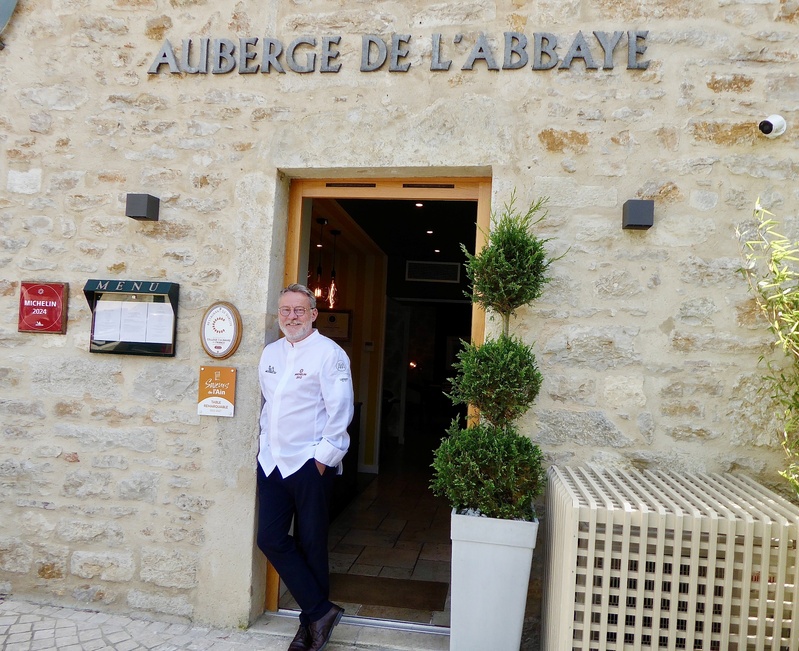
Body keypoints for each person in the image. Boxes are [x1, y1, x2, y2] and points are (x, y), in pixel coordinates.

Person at [256, 283, 354, 651]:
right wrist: (263, 449)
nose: (291, 317)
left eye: (299, 310)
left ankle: (308, 626)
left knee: (312, 545)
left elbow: (340, 410)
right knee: (270, 538)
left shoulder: (330, 354)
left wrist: (322, 460)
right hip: (272, 463)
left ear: (313, 314)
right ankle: (319, 612)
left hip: (309, 464)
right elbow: (269, 406)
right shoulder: (270, 353)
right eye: (285, 310)